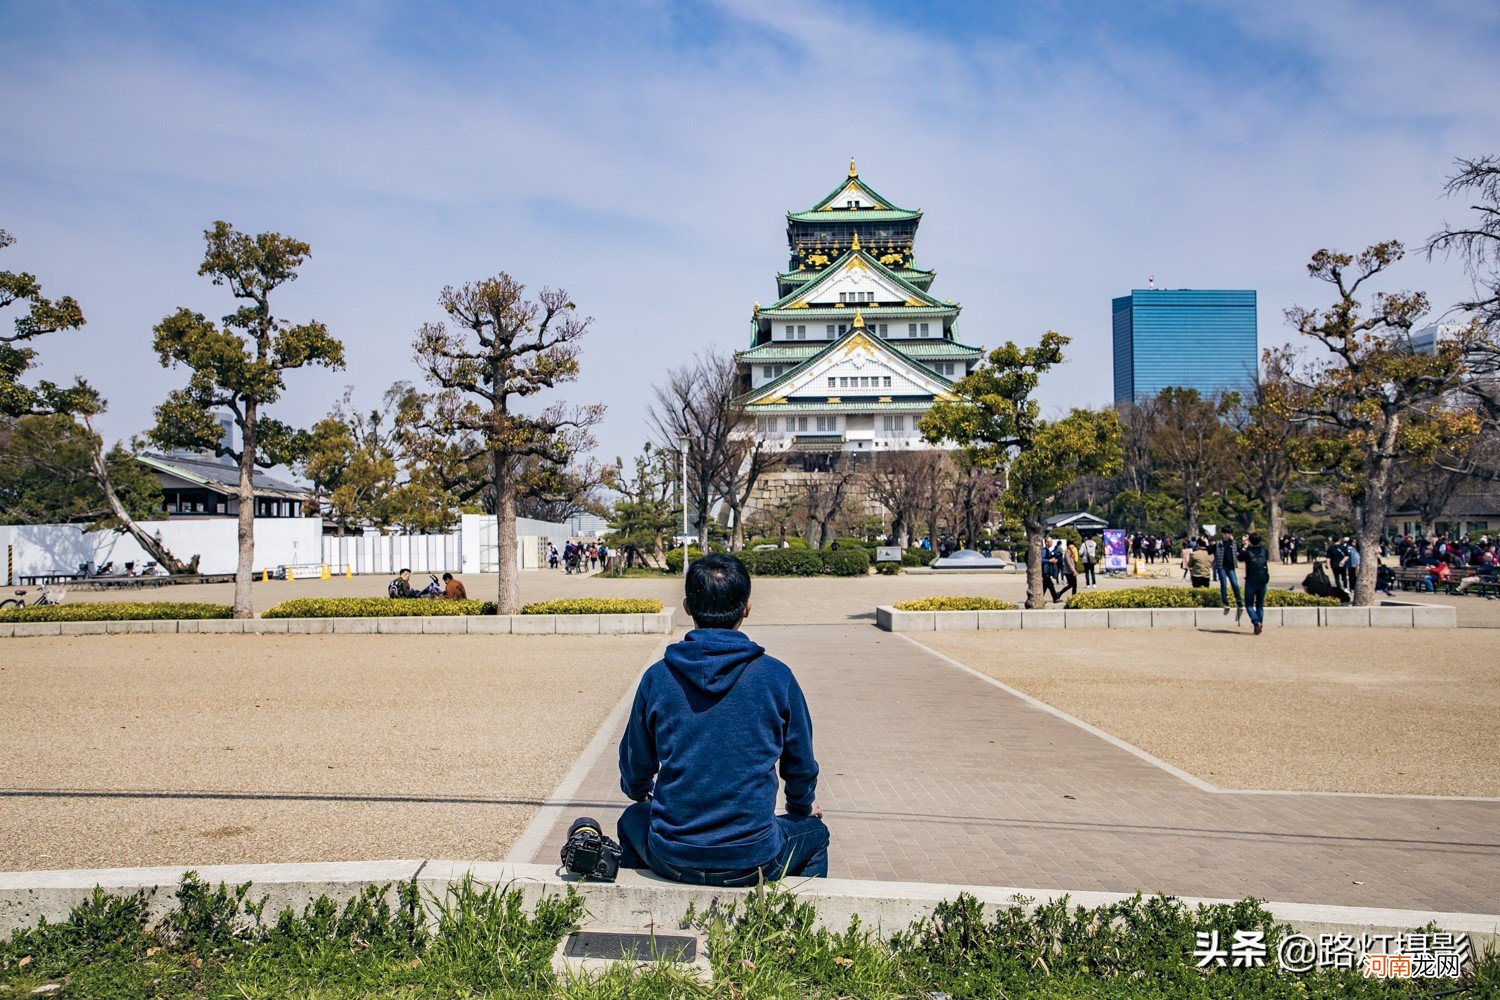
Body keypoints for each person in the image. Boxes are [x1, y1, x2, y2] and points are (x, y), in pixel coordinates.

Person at [616, 553, 827, 885]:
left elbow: (634, 766)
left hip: (672, 856)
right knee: (816, 834)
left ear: (687, 606)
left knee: (633, 819)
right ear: (746, 608)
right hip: (753, 858)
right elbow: (800, 765)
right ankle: (796, 926)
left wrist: (641, 791)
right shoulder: (776, 677)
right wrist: (801, 808)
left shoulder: (657, 678)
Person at [1239, 532, 1271, 635]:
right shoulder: (1264, 551)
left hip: (1251, 581)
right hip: (1262, 580)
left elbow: (1239, 557)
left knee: (1248, 604)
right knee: (1260, 605)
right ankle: (1259, 623)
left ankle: (1256, 621)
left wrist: (1245, 546)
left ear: (1250, 541)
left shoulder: (1247, 552)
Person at [1215, 531, 1243, 622]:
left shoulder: (1234, 543)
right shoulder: (1219, 543)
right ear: (1222, 534)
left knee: (1235, 584)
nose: (1227, 535)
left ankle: (1239, 601)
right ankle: (1225, 602)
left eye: (1228, 533)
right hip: (1222, 566)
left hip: (1231, 567)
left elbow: (1240, 552)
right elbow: (1210, 550)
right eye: (1225, 533)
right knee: (1223, 583)